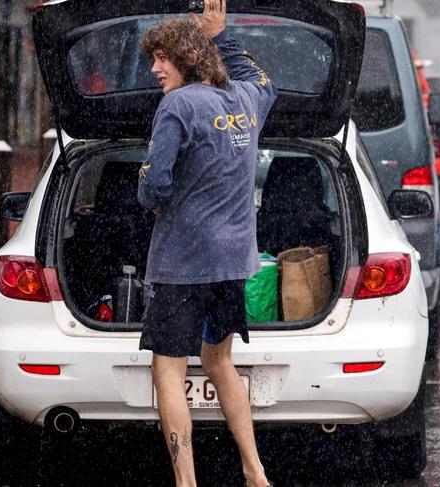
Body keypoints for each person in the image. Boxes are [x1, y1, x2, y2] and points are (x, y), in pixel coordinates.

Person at [137, 0, 277, 485]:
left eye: (163, 58)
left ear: (188, 58)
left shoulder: (177, 105)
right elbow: (264, 81)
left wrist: (152, 193)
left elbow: (153, 185)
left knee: (169, 371)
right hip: (233, 261)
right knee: (219, 361)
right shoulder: (244, 99)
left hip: (183, 263)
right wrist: (223, 36)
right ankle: (255, 471)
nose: (155, 69)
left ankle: (186, 481)